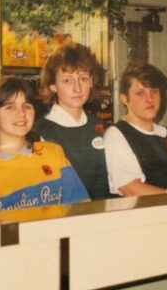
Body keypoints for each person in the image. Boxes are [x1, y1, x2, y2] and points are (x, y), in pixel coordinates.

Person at [0, 77, 89, 213]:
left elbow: (81, 208)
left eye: (27, 106)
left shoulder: (53, 153)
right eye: (10, 107)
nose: (21, 113)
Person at [35, 43, 112, 200]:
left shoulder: (104, 128)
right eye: (67, 80)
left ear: (91, 81)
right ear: (53, 86)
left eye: (83, 79)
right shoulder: (40, 132)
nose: (77, 88)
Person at [104, 62, 167, 196]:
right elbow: (130, 188)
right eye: (140, 93)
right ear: (124, 98)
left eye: (154, 91)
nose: (150, 99)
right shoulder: (117, 134)